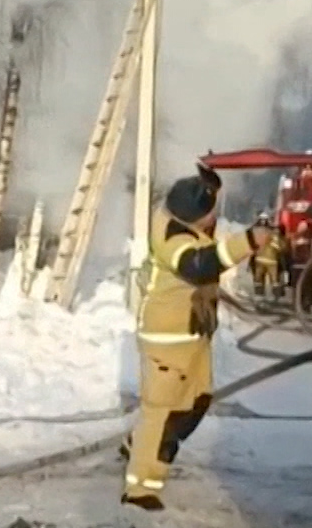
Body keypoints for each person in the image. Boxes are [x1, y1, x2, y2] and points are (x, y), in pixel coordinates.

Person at [121, 171, 275, 510]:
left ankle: (141, 446)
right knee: (160, 412)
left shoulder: (182, 217)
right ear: (195, 213)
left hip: (191, 334)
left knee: (196, 402)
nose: (215, 217)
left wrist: (211, 183)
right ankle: (141, 488)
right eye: (211, 210)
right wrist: (248, 242)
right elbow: (201, 265)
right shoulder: (175, 240)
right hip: (168, 337)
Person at [249, 212, 286, 301]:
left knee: (259, 279)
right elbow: (280, 247)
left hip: (260, 260)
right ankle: (275, 297)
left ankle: (260, 296)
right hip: (271, 260)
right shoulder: (274, 233)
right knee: (273, 280)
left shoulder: (255, 231)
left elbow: (251, 245)